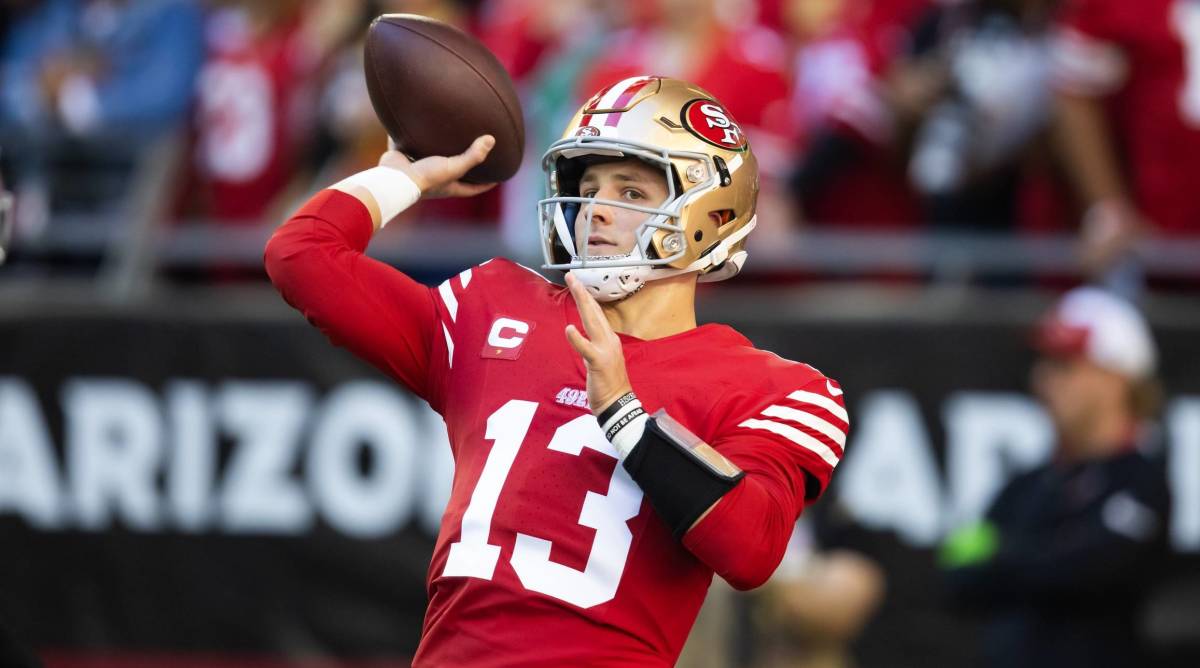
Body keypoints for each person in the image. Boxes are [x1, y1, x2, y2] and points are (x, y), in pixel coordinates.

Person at [265, 77, 849, 667]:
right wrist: (403, 177)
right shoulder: (493, 304)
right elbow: (302, 257)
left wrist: (626, 415)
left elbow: (751, 551)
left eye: (630, 190)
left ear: (708, 212)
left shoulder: (776, 387)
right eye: (587, 186)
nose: (596, 208)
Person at [940, 287, 1171, 668]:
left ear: (1118, 378)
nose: (1044, 379)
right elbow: (959, 566)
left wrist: (1005, 556)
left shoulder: (1141, 480)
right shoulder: (1027, 484)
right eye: (1045, 363)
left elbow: (1098, 567)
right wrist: (1042, 556)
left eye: (1066, 365)